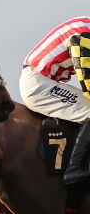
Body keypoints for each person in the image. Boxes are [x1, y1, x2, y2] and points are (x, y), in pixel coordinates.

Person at [20, 17, 90, 185]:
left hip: (41, 79)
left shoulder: (85, 24)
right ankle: (75, 170)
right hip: (39, 84)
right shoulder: (85, 32)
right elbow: (87, 79)